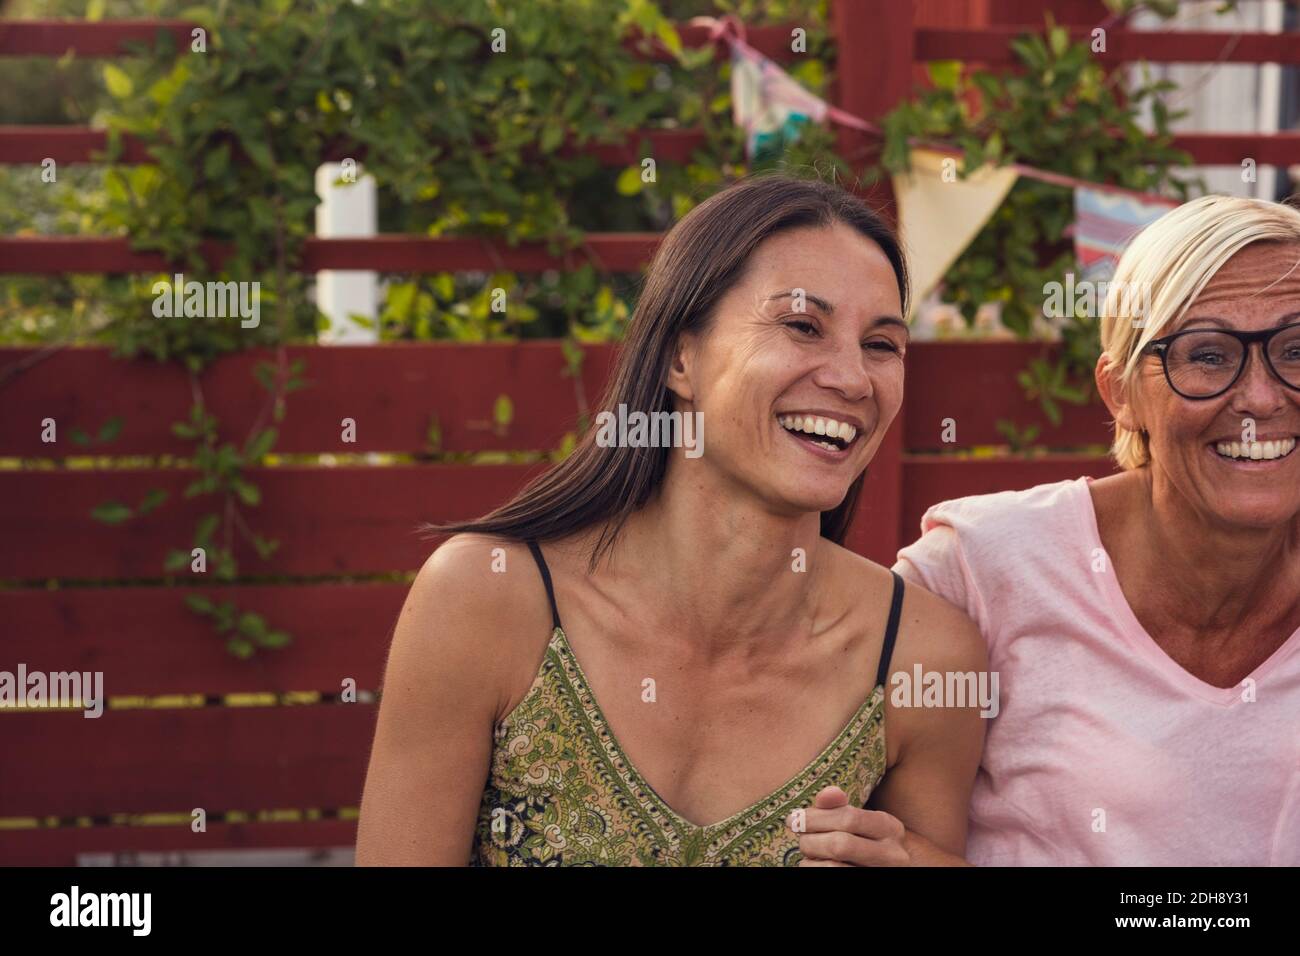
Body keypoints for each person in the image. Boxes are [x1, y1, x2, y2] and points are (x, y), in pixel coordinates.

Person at [356, 173, 987, 866]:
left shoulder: (922, 659)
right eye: (803, 326)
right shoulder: (488, 596)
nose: (852, 378)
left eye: (882, 344)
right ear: (680, 356)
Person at [895, 194, 1300, 865]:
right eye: (1207, 355)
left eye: (1297, 347)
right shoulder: (981, 570)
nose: (1261, 398)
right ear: (1120, 394)